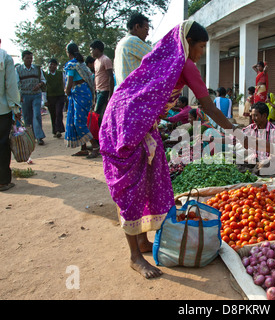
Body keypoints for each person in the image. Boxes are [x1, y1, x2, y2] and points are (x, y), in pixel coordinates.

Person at [99, 21, 236, 279]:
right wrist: (235, 132)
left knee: (147, 179)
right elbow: (209, 106)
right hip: (126, 126)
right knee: (131, 186)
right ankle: (134, 257)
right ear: (188, 43)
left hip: (135, 122)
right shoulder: (184, 64)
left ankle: (141, 242)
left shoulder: (164, 61)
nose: (201, 52)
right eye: (201, 46)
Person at [64, 42, 100, 159]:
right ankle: (83, 148)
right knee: (81, 120)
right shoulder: (81, 64)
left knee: (78, 122)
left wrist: (67, 91)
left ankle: (95, 147)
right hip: (85, 93)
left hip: (78, 93)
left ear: (68, 52)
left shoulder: (71, 65)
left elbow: (69, 84)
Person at [0, 42, 21, 192]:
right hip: (2, 110)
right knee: (2, 144)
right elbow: (11, 85)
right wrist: (15, 106)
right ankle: (3, 181)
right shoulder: (5, 58)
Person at [16, 50, 46, 145]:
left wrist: (39, 84)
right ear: (23, 58)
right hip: (24, 95)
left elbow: (43, 80)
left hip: (36, 95)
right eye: (27, 58)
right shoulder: (18, 69)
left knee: (37, 114)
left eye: (31, 58)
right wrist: (18, 96)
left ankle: (39, 136)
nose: (29, 60)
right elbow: (16, 84)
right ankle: (30, 136)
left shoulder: (37, 69)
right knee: (27, 117)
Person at [114, 13, 152, 86]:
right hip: (135, 92)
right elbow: (158, 55)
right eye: (146, 29)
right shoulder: (133, 41)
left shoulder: (120, 43)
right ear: (137, 27)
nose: (147, 34)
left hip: (124, 92)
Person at [89, 40, 114, 128]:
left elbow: (111, 77)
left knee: (97, 114)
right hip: (98, 91)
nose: (90, 52)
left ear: (97, 49)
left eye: (91, 50)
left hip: (105, 91)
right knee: (99, 114)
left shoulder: (105, 60)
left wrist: (110, 95)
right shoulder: (96, 61)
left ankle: (100, 136)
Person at [44, 59, 65, 138]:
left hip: (60, 95)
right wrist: (45, 100)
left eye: (54, 64)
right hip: (50, 97)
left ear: (56, 66)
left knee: (59, 112)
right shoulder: (45, 75)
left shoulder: (60, 73)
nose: (52, 66)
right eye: (50, 64)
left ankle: (59, 130)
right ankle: (55, 131)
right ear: (48, 65)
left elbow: (64, 83)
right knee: (53, 114)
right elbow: (44, 88)